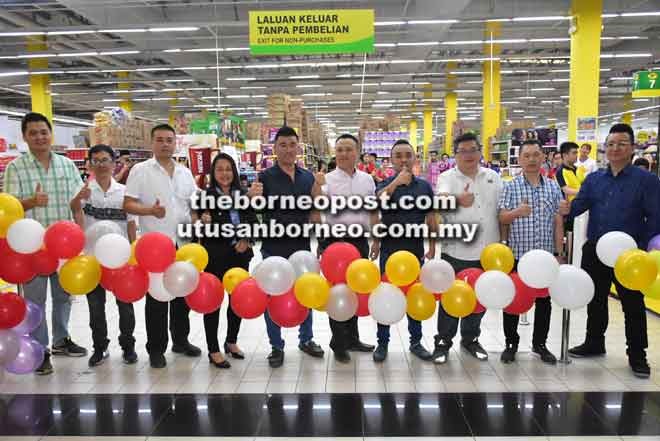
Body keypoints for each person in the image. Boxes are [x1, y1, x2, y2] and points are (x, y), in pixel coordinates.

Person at [566, 123, 660, 378]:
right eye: (610, 144)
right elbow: (578, 207)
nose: (615, 148)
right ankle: (594, 341)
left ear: (631, 148)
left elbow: (655, 217)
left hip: (629, 254)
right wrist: (562, 208)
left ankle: (637, 354)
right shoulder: (594, 179)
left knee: (632, 303)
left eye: (621, 144)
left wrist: (645, 249)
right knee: (595, 300)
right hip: (596, 248)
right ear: (605, 148)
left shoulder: (647, 181)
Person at [3, 112, 88, 375]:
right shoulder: (15, 167)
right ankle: (41, 351)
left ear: (50, 134)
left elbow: (76, 203)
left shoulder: (66, 165)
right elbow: (9, 206)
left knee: (63, 296)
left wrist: (81, 202)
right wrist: (31, 201)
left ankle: (62, 339)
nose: (40, 137)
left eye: (44, 132)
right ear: (25, 137)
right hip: (31, 248)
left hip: (63, 245)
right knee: (36, 301)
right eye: (33, 133)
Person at [124, 123, 201, 369]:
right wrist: (150, 211)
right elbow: (128, 204)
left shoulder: (184, 173)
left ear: (175, 143)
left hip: (184, 243)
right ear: (151, 143)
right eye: (160, 140)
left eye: (169, 140)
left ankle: (181, 340)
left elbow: (192, 205)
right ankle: (156, 349)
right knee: (157, 299)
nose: (165, 144)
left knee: (181, 295)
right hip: (156, 246)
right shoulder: (140, 170)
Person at [257, 126, 324, 368]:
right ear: (275, 149)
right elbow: (254, 209)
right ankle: (276, 346)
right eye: (282, 145)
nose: (287, 149)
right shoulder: (264, 177)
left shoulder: (308, 177)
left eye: (292, 145)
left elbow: (315, 212)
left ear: (298, 147)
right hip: (273, 248)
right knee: (272, 294)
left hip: (302, 247)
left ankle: (306, 339)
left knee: (306, 292)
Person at [433, 133, 502, 364]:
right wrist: (456, 199)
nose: (469, 155)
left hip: (488, 250)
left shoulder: (493, 177)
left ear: (480, 151)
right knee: (451, 297)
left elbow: (501, 212)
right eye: (464, 151)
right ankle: (443, 341)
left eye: (473, 149)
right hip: (456, 250)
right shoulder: (447, 177)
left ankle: (471, 339)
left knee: (479, 296)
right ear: (456, 155)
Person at [498, 139, 566, 364]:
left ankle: (540, 344)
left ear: (543, 157)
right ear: (519, 160)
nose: (532, 159)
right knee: (513, 299)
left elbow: (558, 220)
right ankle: (511, 343)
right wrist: (517, 212)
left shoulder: (552, 186)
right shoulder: (510, 186)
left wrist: (559, 252)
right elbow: (502, 217)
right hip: (518, 254)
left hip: (545, 257)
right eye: (526, 155)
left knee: (544, 301)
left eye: (536, 155)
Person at [70, 144, 137, 367]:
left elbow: (130, 225)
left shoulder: (124, 192)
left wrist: (133, 252)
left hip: (120, 258)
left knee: (125, 306)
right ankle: (100, 347)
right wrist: (77, 202)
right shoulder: (83, 191)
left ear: (114, 162)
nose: (101, 164)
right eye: (96, 160)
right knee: (95, 308)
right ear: (89, 164)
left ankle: (128, 346)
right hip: (92, 260)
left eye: (105, 160)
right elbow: (77, 223)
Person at [371, 139, 437, 363]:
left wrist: (433, 245)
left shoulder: (424, 187)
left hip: (415, 251)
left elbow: (431, 217)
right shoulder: (384, 184)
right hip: (389, 252)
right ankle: (382, 343)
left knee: (414, 297)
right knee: (385, 296)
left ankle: (416, 342)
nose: (403, 159)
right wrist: (396, 183)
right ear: (391, 160)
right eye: (398, 156)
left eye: (408, 155)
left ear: (414, 158)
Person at [314, 134, 377, 363]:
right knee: (338, 292)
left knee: (356, 290)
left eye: (348, 149)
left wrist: (376, 239)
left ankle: (352, 338)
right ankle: (338, 342)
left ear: (357, 152)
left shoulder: (367, 180)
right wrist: (317, 185)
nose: (343, 154)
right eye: (339, 149)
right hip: (336, 243)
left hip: (359, 241)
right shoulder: (327, 179)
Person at [198, 153, 258, 369]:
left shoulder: (243, 194)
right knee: (213, 302)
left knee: (237, 301)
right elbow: (199, 227)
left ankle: (231, 341)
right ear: (214, 173)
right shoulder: (206, 197)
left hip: (240, 256)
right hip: (215, 256)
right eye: (220, 169)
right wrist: (204, 221)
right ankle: (213, 349)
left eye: (228, 169)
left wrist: (246, 239)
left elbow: (253, 221)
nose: (225, 173)